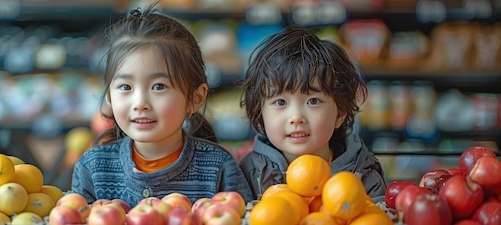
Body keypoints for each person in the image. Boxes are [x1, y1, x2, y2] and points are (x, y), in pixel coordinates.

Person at [70, 4, 254, 207]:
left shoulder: (219, 168)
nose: (140, 103)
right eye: (125, 87)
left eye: (158, 86)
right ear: (109, 98)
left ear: (195, 98)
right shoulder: (92, 168)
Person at [238, 25, 386, 202]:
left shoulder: (363, 174)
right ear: (260, 113)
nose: (296, 117)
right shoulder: (248, 174)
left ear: (341, 113)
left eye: (313, 101)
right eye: (280, 102)